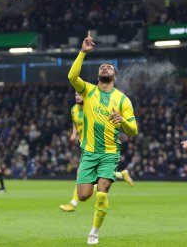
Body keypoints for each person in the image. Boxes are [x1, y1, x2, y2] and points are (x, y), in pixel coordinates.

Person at [67, 31, 138, 244]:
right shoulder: (88, 91)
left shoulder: (123, 100)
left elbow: (133, 130)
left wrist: (122, 121)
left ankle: (94, 232)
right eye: (101, 67)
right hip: (89, 152)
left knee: (102, 192)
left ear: (115, 76)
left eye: (109, 67)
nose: (104, 67)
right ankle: (113, 179)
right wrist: (82, 53)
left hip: (109, 152)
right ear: (98, 75)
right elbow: (72, 77)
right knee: (83, 195)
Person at [60, 92, 134, 212]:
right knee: (95, 173)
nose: (77, 97)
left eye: (80, 95)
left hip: (94, 145)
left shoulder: (92, 107)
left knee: (81, 173)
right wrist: (74, 134)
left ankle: (73, 203)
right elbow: (75, 121)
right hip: (83, 144)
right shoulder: (73, 109)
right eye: (75, 95)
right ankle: (121, 174)